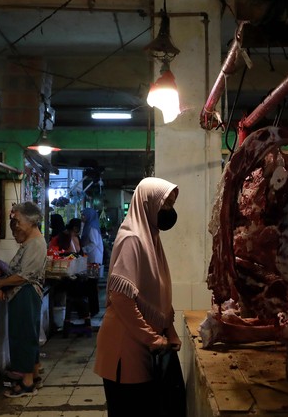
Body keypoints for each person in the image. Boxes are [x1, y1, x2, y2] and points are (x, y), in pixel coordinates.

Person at [93, 177, 184, 416]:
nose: (169, 212)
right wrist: (154, 339)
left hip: (141, 343)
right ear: (148, 204)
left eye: (171, 205)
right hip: (124, 347)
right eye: (165, 205)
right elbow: (122, 299)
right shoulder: (133, 239)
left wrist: (169, 330)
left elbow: (158, 294)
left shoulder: (151, 239)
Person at [0, 202, 47, 398]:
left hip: (26, 293)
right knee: (29, 334)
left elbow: (23, 276)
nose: (15, 225)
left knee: (23, 335)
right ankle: (33, 375)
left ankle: (26, 384)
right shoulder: (31, 242)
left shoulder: (35, 243)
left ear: (31, 221)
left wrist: (1, 284)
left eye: (18, 220)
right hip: (25, 294)